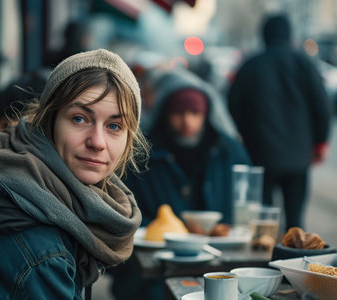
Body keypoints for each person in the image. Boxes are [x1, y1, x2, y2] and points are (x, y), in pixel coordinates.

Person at [0, 49, 150, 300]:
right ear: (49, 122)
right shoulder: (43, 254)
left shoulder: (28, 186)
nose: (97, 142)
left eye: (114, 126)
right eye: (79, 118)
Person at [110, 67, 251, 300]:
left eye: (195, 113)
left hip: (222, 263)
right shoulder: (141, 155)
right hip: (154, 272)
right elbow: (122, 212)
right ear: (165, 113)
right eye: (179, 113)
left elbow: (248, 205)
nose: (187, 121)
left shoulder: (228, 152)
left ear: (206, 114)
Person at [227, 14, 331, 230]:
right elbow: (322, 106)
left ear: (264, 35)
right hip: (298, 156)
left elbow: (234, 104)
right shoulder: (304, 62)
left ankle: (264, 261)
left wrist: (246, 133)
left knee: (262, 222)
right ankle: (293, 260)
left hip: (261, 153)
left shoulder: (251, 65)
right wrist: (320, 142)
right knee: (295, 221)